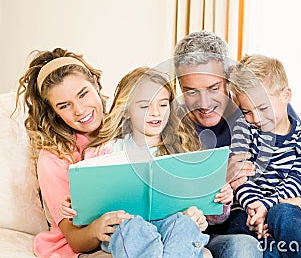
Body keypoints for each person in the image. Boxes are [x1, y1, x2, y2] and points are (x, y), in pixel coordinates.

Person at [14, 48, 210, 258]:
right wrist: (96, 226)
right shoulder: (54, 157)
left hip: (151, 230)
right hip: (89, 242)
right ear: (54, 112)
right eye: (64, 106)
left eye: (83, 94)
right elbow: (76, 239)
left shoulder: (129, 122)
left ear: (96, 85)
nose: (79, 110)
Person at [173, 30, 301, 258]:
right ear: (180, 88)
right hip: (212, 232)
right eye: (191, 92)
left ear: (229, 82)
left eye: (214, 88)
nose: (204, 103)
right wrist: (218, 180)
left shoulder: (262, 113)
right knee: (245, 247)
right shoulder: (168, 126)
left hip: (269, 217)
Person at [59, 67, 232, 257]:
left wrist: (221, 198)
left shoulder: (183, 151)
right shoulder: (105, 151)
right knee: (130, 226)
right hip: (127, 228)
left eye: (163, 104)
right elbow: (86, 209)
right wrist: (75, 205)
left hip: (171, 228)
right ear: (126, 111)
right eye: (144, 106)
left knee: (185, 224)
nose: (156, 113)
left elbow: (212, 215)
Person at [227, 54, 301, 256]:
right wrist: (255, 208)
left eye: (263, 108)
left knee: (284, 214)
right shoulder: (244, 130)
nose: (256, 118)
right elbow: (240, 181)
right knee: (242, 227)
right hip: (248, 211)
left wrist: (267, 207)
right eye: (247, 111)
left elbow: (297, 182)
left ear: (286, 95)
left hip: (283, 207)